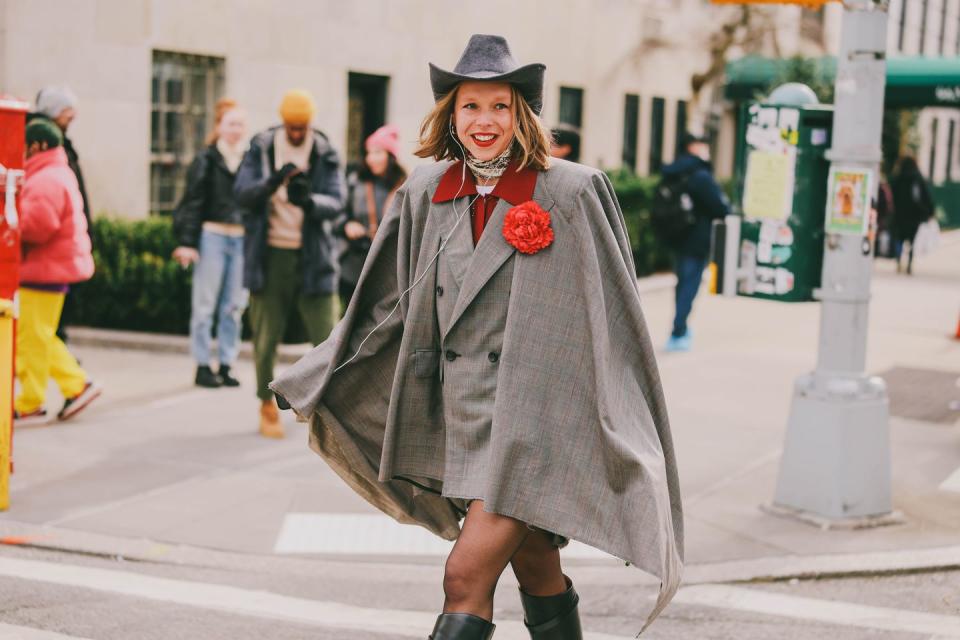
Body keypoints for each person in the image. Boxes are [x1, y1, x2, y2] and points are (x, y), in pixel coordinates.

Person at [270, 35, 682, 639]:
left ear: (522, 114)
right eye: (471, 106)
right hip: (460, 421)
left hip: (532, 423)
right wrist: (316, 373)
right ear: (450, 114)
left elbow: (608, 313)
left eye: (500, 106)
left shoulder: (569, 191)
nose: (484, 121)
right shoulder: (424, 192)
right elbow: (382, 307)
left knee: (464, 577)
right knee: (537, 563)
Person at [234, 89, 344, 439]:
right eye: (292, 127)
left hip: (314, 255)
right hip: (269, 255)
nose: (297, 132)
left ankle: (328, 407)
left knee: (329, 335)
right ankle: (265, 404)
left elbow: (337, 201)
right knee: (266, 336)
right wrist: (273, 181)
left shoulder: (325, 151)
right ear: (283, 122)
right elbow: (242, 194)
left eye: (303, 126)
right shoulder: (262, 147)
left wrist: (309, 200)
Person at [13, 119, 101, 427]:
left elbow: (38, 226)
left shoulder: (46, 178)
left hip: (42, 271)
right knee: (37, 337)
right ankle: (41, 396)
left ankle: (72, 386)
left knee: (33, 337)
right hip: (49, 270)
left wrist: (11, 222)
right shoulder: (55, 172)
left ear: (36, 146)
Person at [172, 98, 249, 388]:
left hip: (241, 239)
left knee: (234, 306)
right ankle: (203, 364)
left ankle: (227, 363)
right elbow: (193, 201)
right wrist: (187, 242)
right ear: (219, 126)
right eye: (231, 124)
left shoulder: (251, 160)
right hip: (212, 237)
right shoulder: (206, 159)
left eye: (240, 124)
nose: (236, 130)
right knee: (204, 305)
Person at [31, 86, 92, 344]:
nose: (72, 116)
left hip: (62, 247)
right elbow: (39, 220)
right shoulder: (51, 154)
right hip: (52, 252)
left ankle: (71, 374)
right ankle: (74, 379)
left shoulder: (60, 148)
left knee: (46, 329)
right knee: (45, 331)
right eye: (67, 111)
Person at [661, 132, 729, 352]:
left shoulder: (673, 171)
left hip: (676, 233)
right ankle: (678, 330)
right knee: (690, 284)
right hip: (697, 237)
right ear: (693, 147)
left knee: (683, 281)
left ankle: (679, 327)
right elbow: (720, 208)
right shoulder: (700, 175)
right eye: (702, 144)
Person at [337, 124, 407, 308]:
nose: (371, 159)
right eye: (369, 153)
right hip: (355, 264)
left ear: (391, 156)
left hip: (389, 266)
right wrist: (347, 224)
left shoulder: (405, 186)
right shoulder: (355, 182)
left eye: (377, 153)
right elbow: (338, 213)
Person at [891, 156, 934, 275]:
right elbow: (925, 196)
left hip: (900, 214)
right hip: (915, 215)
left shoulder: (898, 177)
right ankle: (909, 263)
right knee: (912, 240)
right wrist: (930, 211)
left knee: (900, 238)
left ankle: (899, 259)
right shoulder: (918, 178)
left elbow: (892, 194)